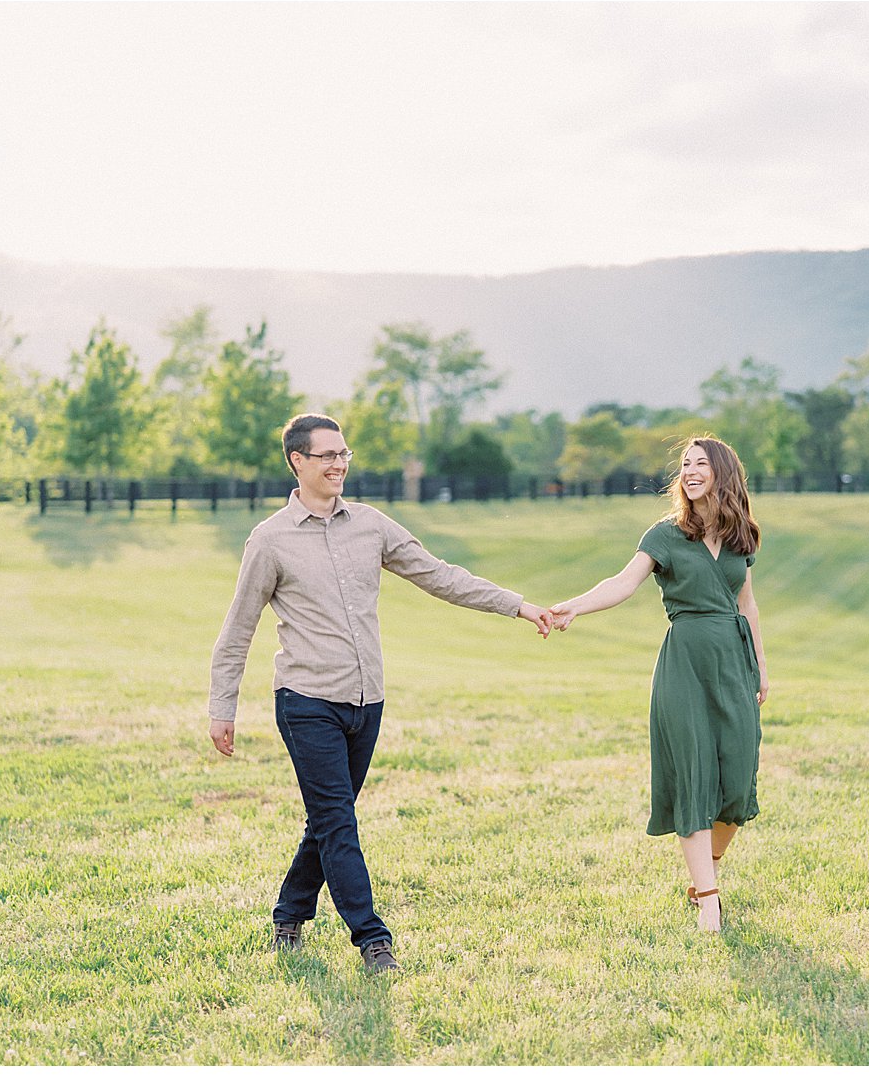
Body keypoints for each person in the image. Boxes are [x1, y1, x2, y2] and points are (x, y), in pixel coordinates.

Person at [208, 413, 554, 972]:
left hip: (367, 701)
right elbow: (237, 629)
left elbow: (440, 575)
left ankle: (289, 913)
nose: (340, 464)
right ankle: (372, 939)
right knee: (339, 821)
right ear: (298, 461)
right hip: (306, 701)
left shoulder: (370, 524)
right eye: (327, 455)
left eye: (344, 454)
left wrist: (518, 604)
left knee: (327, 818)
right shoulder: (269, 541)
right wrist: (222, 708)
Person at [549, 436, 767, 933]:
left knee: (737, 781)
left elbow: (746, 604)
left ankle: (702, 874)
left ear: (723, 472)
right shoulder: (666, 535)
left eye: (701, 464)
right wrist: (573, 607)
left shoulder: (740, 535)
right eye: (685, 465)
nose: (690, 472)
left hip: (734, 664)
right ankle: (708, 901)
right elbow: (622, 584)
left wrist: (761, 663)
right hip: (684, 665)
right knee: (692, 775)